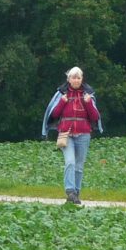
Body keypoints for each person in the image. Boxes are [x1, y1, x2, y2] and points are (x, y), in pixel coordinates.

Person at [44, 66, 102, 205]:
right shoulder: (61, 94)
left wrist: (88, 103)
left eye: (78, 77)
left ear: (82, 79)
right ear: (68, 79)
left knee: (79, 166)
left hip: (84, 134)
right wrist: (62, 102)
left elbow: (95, 116)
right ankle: (70, 191)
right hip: (66, 133)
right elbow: (54, 114)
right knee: (70, 162)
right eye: (73, 77)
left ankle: (76, 193)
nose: (76, 80)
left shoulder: (88, 94)